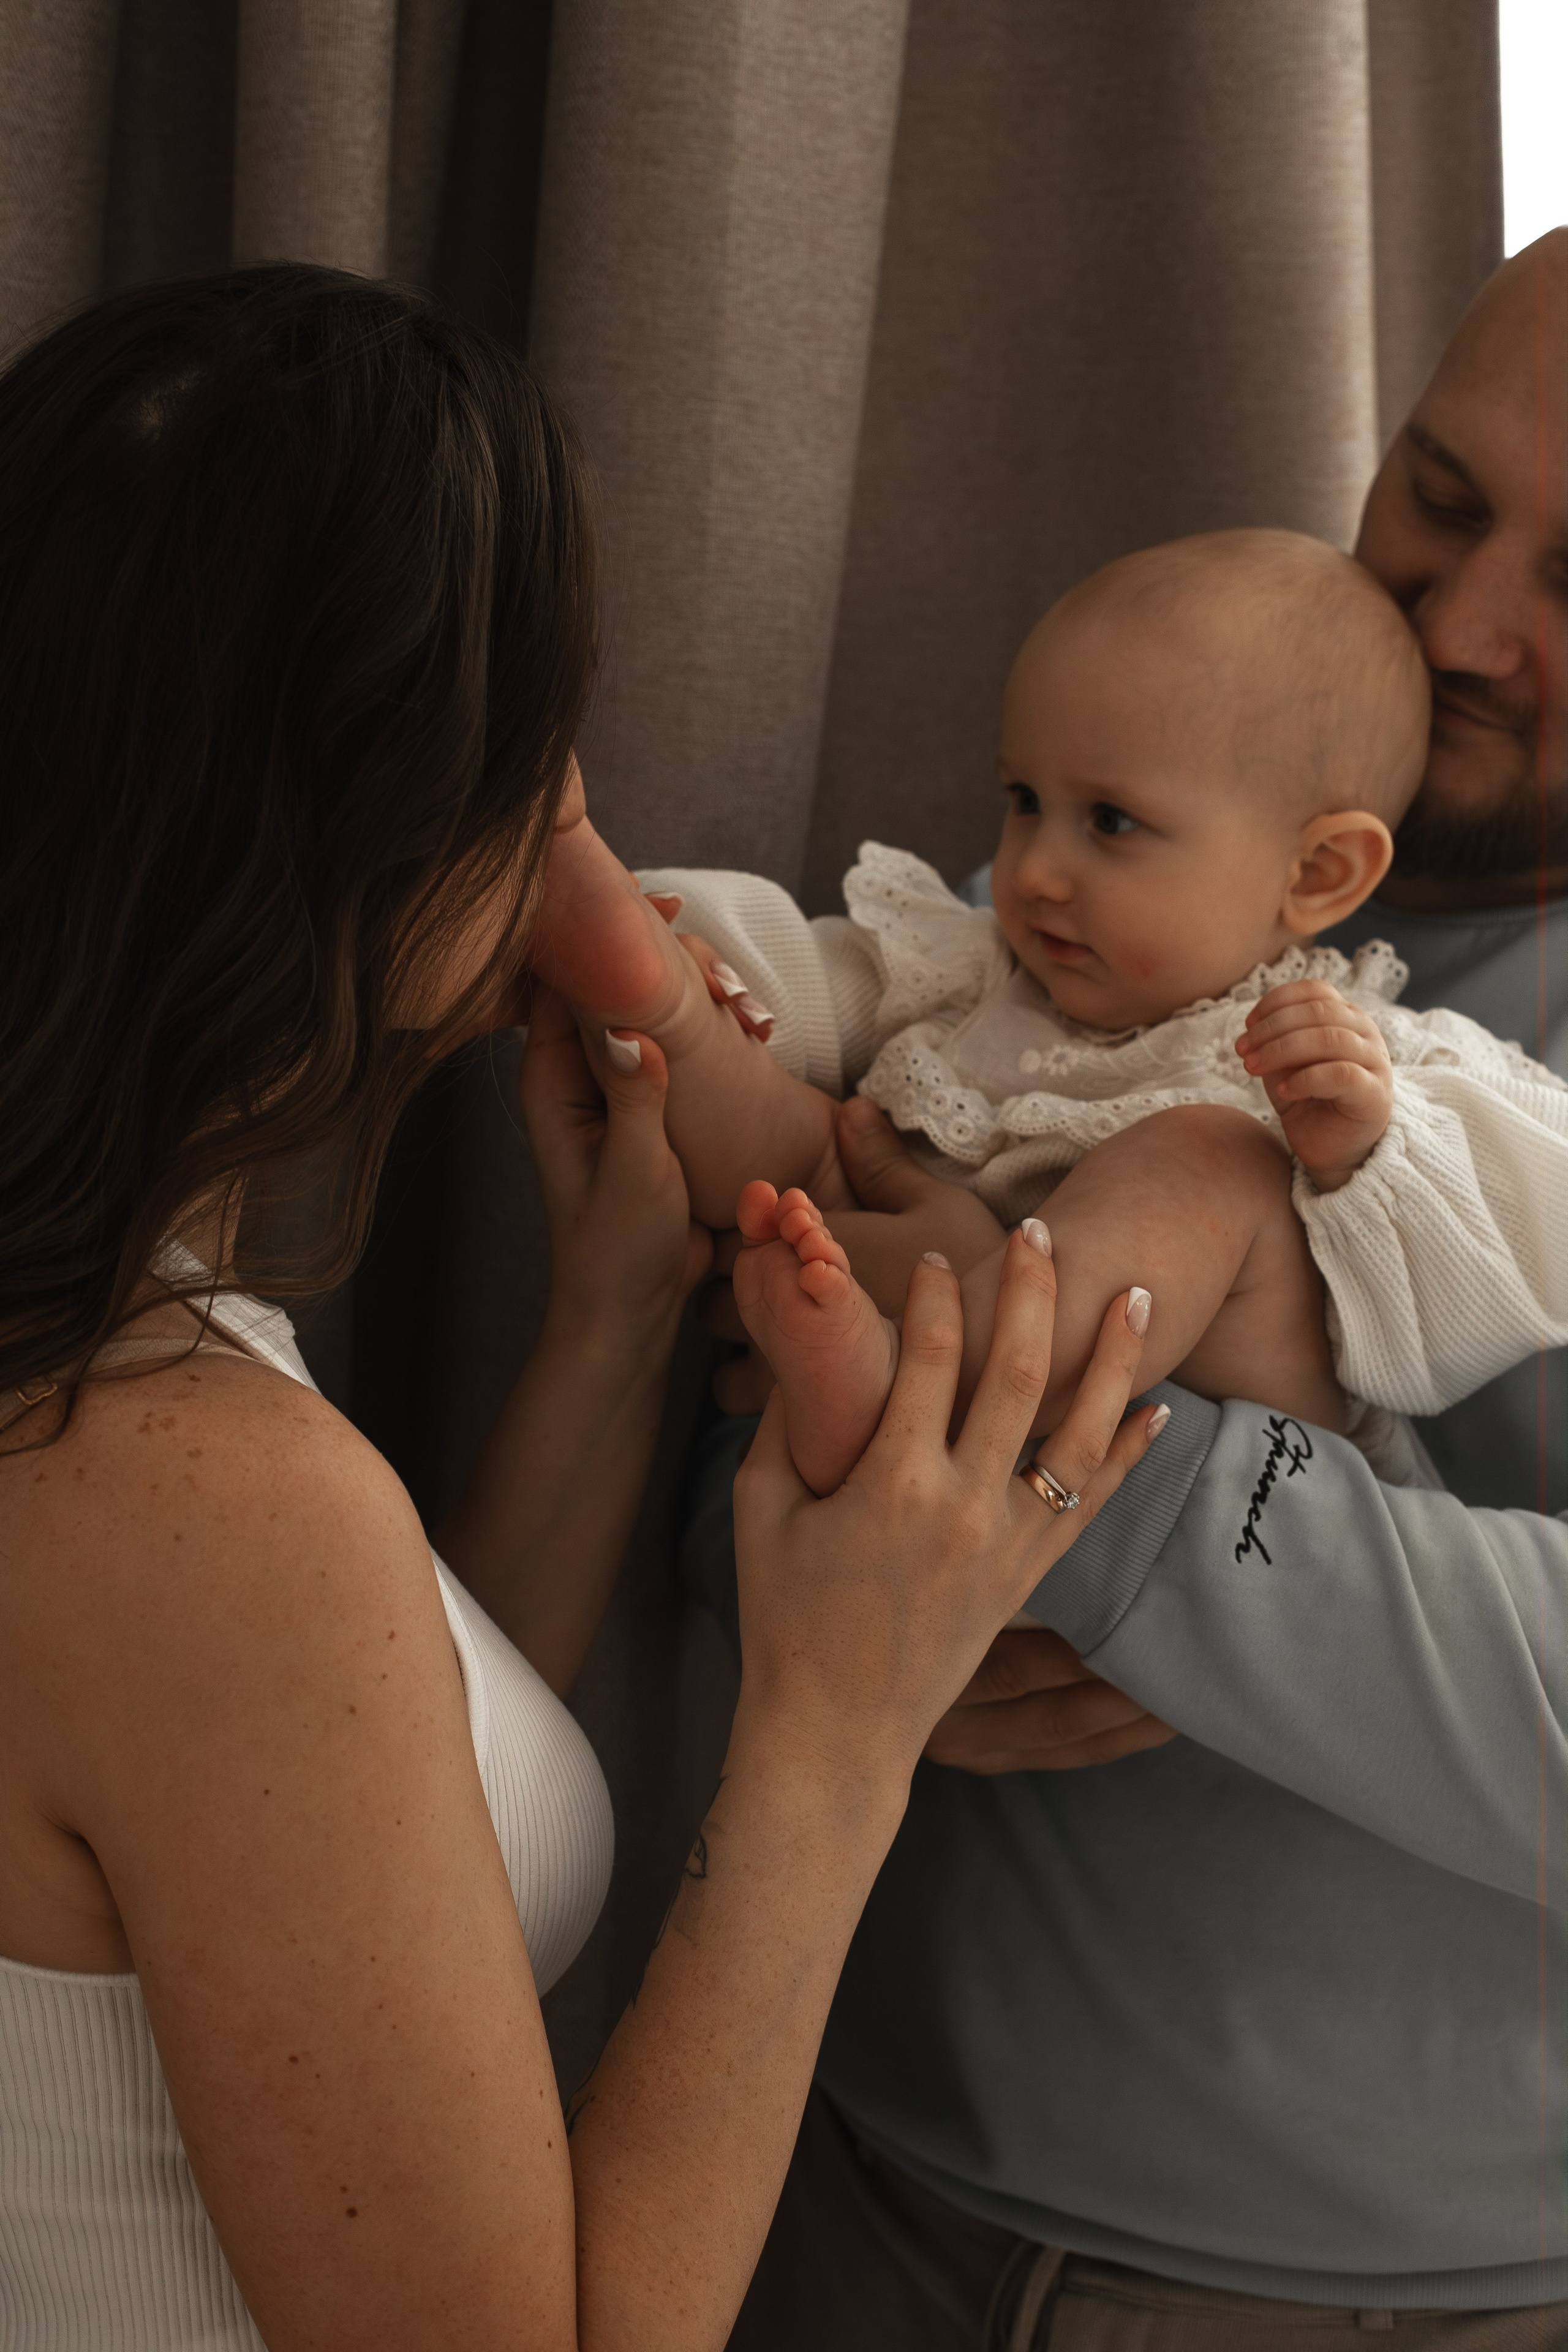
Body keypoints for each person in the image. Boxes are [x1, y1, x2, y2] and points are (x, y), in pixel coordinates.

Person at [0, 265, 1163, 2352]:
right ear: (346, 844)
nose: (576, 821)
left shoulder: (106, 1314)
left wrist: (609, 1329)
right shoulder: (181, 1490)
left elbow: (335, 1837)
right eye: (527, 748)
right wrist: (837, 1728)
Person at [680, 228, 1568, 2344]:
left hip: (1353, 2296)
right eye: (1440, 496)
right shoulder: (1129, 856)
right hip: (832, 2182)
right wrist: (857, 1607)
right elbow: (758, 1366)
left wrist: (1108, 1498)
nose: (1458, 623)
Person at [533, 527, 1567, 1502]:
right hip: (968, 1464)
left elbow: (1535, 1201)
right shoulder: (983, 966)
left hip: (1252, 1514)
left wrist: (1367, 1147)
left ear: (1316, 871)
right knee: (809, 1129)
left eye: (1110, 821)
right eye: (1024, 799)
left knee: (1198, 1165)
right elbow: (809, 979)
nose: (1034, 870)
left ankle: (910, 1377)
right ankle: (635, 981)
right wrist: (708, 972)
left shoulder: (1334, 1042)